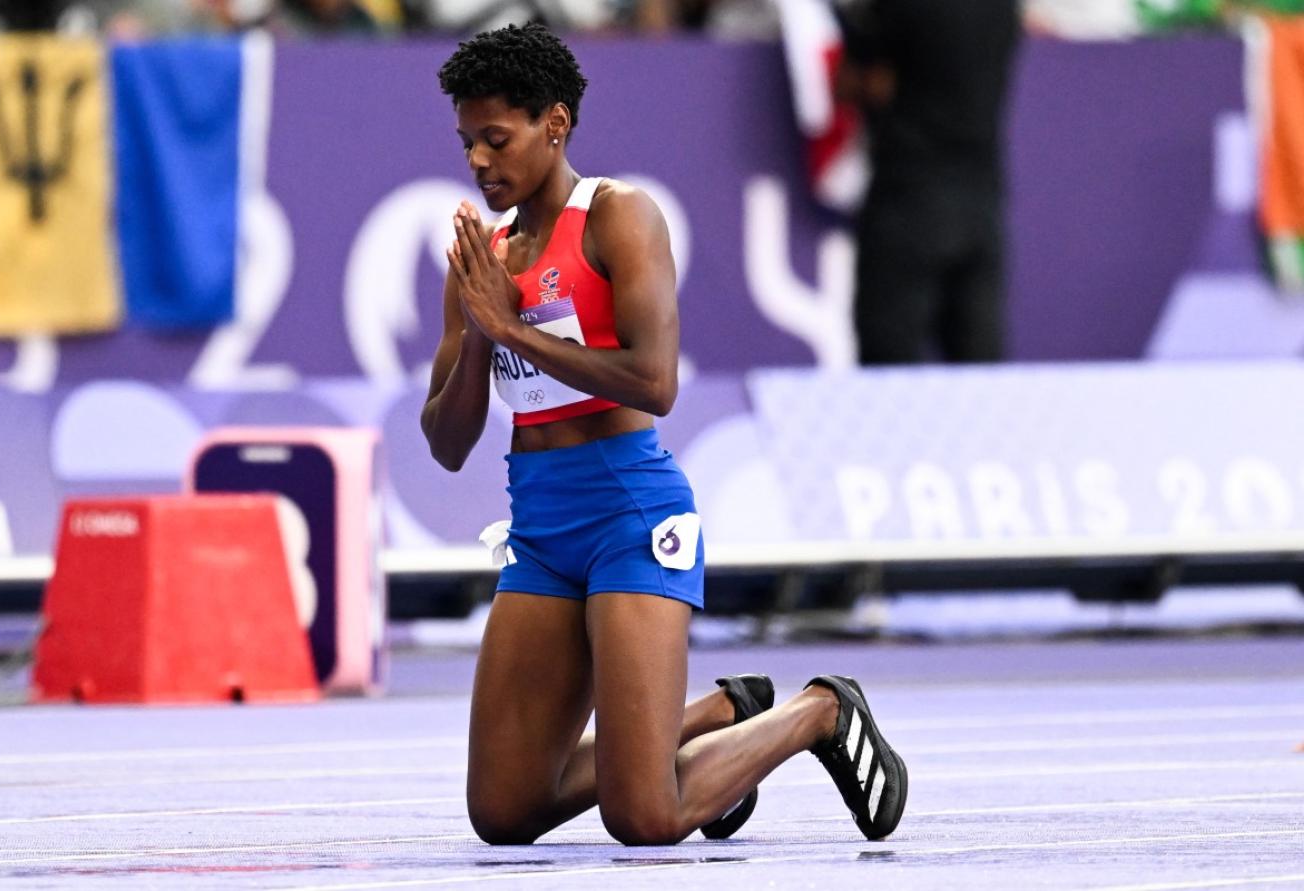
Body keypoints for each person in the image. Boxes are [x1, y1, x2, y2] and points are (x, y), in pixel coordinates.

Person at [423, 22, 907, 846]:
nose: (477, 161)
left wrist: (518, 331)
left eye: (495, 140)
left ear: (556, 123)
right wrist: (477, 333)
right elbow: (446, 441)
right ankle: (723, 712)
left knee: (642, 814)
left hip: (629, 519)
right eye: (467, 141)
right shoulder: (484, 259)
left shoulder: (620, 217)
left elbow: (656, 382)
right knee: (502, 810)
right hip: (540, 531)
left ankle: (815, 711)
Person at [834, 0, 1021, 364]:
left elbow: (867, 82)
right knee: (981, 371)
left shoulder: (904, 8)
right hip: (982, 206)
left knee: (887, 370)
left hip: (908, 202)